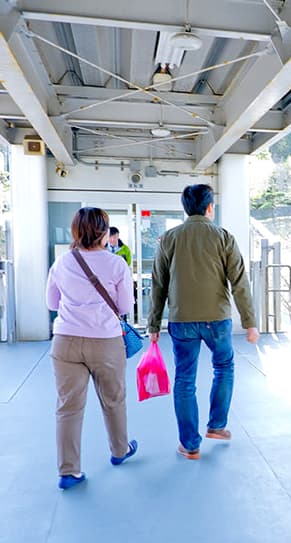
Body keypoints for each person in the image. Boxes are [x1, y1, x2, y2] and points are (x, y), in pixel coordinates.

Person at [148, 184, 259, 460]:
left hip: (181, 320)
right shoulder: (223, 237)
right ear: (210, 207)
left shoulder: (169, 239)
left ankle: (190, 444)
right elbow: (240, 282)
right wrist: (250, 322)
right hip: (216, 320)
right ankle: (217, 426)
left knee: (184, 379)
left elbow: (159, 283)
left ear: (185, 208)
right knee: (223, 367)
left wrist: (153, 325)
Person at [46, 207, 138, 490]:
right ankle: (119, 451)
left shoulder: (62, 262)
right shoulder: (116, 264)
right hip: (106, 341)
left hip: (66, 341)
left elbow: (51, 303)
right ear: (104, 232)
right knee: (113, 400)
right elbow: (124, 307)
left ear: (75, 231)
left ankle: (68, 471)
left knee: (68, 407)